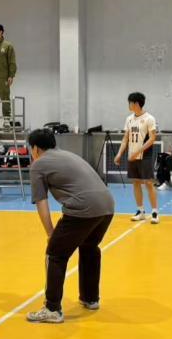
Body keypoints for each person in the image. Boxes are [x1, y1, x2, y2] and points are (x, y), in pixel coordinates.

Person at [25, 129, 117, 324]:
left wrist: (51, 233)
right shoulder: (68, 154)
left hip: (83, 208)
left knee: (55, 254)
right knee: (89, 247)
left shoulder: (38, 164)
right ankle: (90, 298)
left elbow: (41, 201)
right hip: (107, 206)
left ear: (35, 149)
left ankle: (52, 309)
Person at [114, 92, 159, 224]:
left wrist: (138, 151)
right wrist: (119, 154)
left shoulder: (149, 118)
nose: (128, 105)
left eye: (130, 102)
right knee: (136, 182)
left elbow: (152, 138)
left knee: (148, 183)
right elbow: (125, 139)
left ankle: (155, 212)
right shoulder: (129, 119)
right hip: (132, 155)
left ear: (136, 103)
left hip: (145, 154)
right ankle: (140, 211)